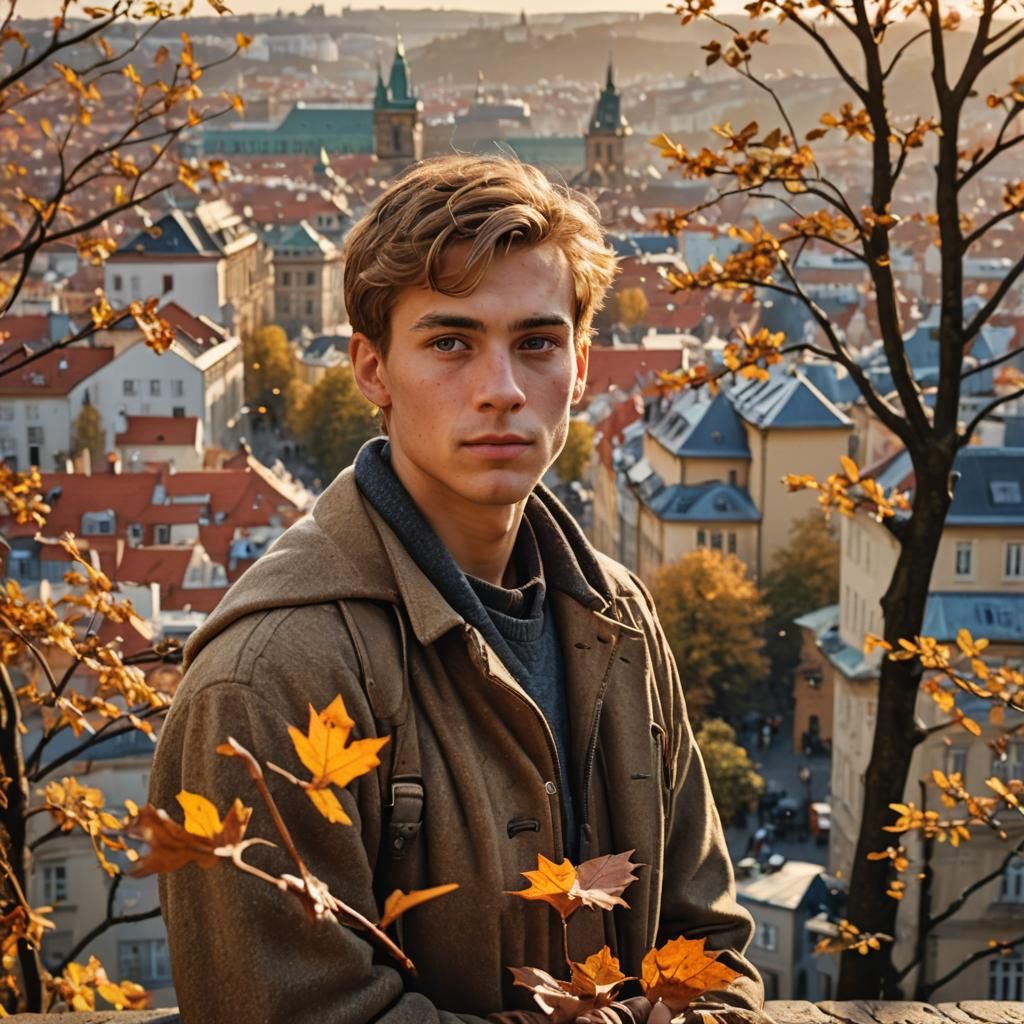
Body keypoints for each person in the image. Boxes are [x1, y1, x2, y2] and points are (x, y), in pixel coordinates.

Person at [150, 156, 766, 1023]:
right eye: (450, 343)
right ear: (371, 370)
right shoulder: (275, 671)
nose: (502, 390)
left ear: (581, 367)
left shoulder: (618, 615)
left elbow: (710, 945)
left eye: (537, 343)